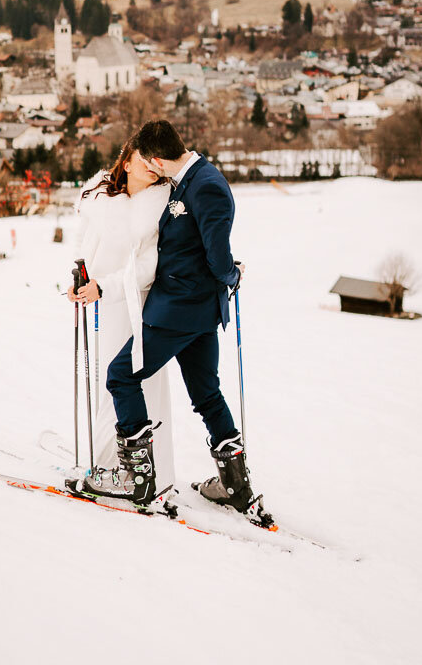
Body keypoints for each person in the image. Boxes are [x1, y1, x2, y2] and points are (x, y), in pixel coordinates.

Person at [88, 119, 271, 526]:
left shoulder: (206, 186)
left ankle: (136, 477)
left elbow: (218, 255)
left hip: (178, 310)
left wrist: (232, 276)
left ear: (156, 157)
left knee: (121, 376)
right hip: (196, 312)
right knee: (206, 394)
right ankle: (235, 487)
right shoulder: (190, 178)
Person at [68, 134, 176, 494]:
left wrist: (106, 286)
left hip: (138, 306)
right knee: (108, 383)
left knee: (134, 381)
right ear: (126, 162)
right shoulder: (98, 196)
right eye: (144, 158)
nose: (151, 165)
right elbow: (84, 247)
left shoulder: (158, 206)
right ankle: (107, 463)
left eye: (156, 160)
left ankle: (137, 471)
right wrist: (80, 280)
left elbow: (147, 268)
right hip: (105, 306)